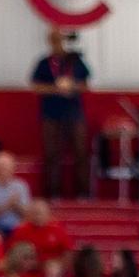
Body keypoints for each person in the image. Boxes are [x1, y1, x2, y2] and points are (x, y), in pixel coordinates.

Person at [31, 27, 91, 198]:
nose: (56, 43)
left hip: (74, 113)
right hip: (51, 114)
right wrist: (55, 88)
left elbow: (86, 84)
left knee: (80, 153)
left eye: (59, 39)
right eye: (53, 40)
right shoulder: (44, 62)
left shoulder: (75, 61)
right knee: (52, 155)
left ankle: (83, 194)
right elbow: (36, 86)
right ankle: (54, 193)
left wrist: (72, 86)